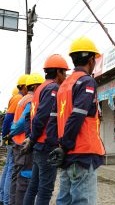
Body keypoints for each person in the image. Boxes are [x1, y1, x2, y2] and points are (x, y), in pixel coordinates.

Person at [50, 37, 105, 205]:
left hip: (67, 154)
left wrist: (60, 147)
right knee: (82, 201)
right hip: (82, 152)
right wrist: (65, 145)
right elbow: (78, 115)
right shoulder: (86, 81)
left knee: (64, 201)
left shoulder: (64, 85)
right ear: (91, 60)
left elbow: (54, 119)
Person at [22, 54, 69, 205]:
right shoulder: (53, 88)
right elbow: (41, 117)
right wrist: (33, 138)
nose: (65, 76)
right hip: (45, 145)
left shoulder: (40, 88)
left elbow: (30, 117)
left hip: (38, 146)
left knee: (33, 187)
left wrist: (31, 138)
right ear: (58, 72)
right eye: (64, 72)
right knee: (45, 191)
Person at [9, 73, 44, 205]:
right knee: (24, 181)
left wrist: (12, 133)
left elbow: (14, 121)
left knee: (17, 178)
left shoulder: (22, 100)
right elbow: (23, 121)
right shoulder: (31, 100)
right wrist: (13, 132)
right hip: (24, 145)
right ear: (35, 87)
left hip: (17, 143)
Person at [0, 74, 29, 205]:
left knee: (8, 168)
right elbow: (8, 119)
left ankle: (3, 198)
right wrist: (6, 136)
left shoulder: (17, 98)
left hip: (11, 137)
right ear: (23, 86)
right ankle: (6, 200)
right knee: (11, 169)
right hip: (14, 138)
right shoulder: (19, 98)